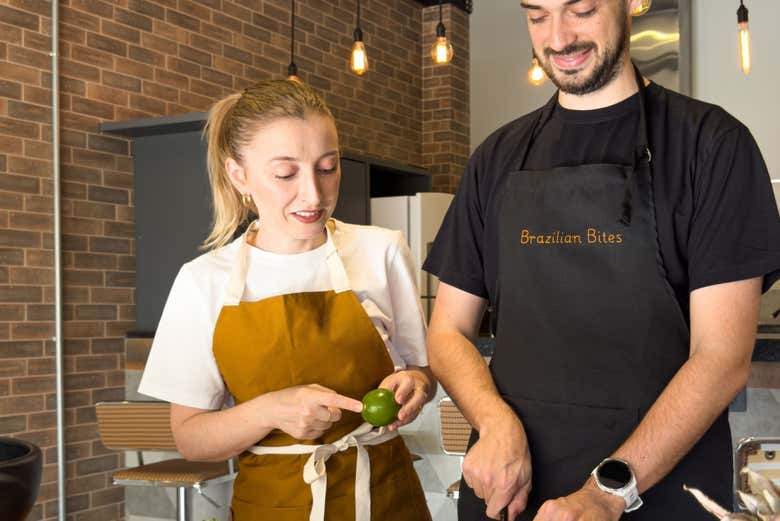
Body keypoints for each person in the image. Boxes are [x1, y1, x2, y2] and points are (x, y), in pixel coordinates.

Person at [423, 1, 780, 520]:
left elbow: (722, 358)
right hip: (509, 495)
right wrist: (494, 421)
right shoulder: (496, 158)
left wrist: (606, 493)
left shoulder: (712, 145)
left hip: (657, 499)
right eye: (537, 15)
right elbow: (447, 332)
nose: (559, 38)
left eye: (582, 9)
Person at [138, 79, 434, 521]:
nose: (313, 195)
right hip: (271, 506)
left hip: (384, 500)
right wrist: (269, 411)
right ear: (239, 174)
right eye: (285, 174)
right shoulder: (202, 282)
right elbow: (191, 439)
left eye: (328, 167)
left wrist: (417, 385)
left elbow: (422, 370)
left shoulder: (382, 250)